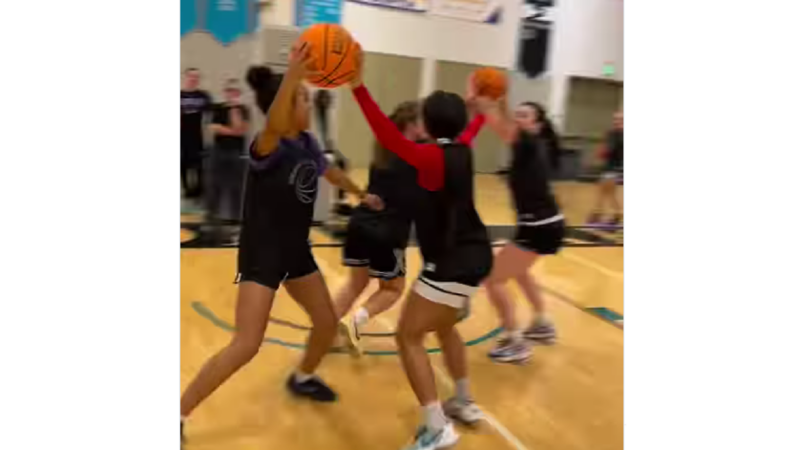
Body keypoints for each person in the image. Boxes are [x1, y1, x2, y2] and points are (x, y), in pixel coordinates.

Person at [180, 44, 383, 442]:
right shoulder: (268, 144)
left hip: (295, 250)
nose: (308, 104)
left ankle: (303, 377)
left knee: (326, 323)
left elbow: (330, 173)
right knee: (247, 344)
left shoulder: (307, 142)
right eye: (303, 99)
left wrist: (361, 194)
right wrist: (292, 75)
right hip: (262, 253)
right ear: (286, 106)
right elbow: (274, 123)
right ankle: (179, 412)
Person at [350, 51, 492, 450]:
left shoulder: (428, 157)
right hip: (477, 255)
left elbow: (387, 135)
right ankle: (462, 400)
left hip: (448, 262)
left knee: (407, 336)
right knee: (444, 327)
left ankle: (436, 427)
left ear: (427, 124)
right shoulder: (463, 150)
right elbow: (470, 130)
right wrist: (478, 111)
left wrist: (358, 86)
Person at [475, 97, 565, 364]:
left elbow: (500, 125)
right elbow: (505, 125)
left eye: (525, 115)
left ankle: (514, 340)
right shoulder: (535, 143)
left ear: (537, 124)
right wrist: (497, 103)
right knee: (519, 272)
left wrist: (485, 103)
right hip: (543, 223)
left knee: (492, 278)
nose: (518, 118)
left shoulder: (528, 142)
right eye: (517, 114)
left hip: (538, 226)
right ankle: (542, 324)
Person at [334, 101, 425, 355]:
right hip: (388, 232)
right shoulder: (416, 156)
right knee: (393, 289)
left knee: (355, 285)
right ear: (412, 125)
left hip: (360, 224)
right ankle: (357, 320)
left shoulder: (384, 151)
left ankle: (323, 333)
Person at [206, 78, 250, 244]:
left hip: (236, 154)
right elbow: (213, 128)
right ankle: (211, 223)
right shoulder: (217, 108)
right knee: (214, 187)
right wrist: (232, 130)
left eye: (235, 91)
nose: (232, 94)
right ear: (225, 92)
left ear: (239, 93)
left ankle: (236, 225)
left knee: (236, 189)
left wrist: (234, 109)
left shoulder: (243, 109)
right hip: (218, 152)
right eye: (230, 90)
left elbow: (241, 130)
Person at [586, 111, 623, 228]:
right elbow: (606, 149)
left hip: (614, 169)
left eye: (620, 119)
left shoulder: (620, 135)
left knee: (608, 193)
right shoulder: (612, 133)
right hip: (608, 168)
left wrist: (602, 153)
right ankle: (600, 214)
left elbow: (609, 150)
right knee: (604, 192)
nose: (617, 121)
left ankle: (609, 214)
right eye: (615, 119)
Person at [181, 68, 213, 202]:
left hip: (197, 134)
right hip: (181, 135)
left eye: (196, 77)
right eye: (191, 76)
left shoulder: (203, 96)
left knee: (198, 163)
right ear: (186, 77)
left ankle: (199, 188)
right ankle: (187, 188)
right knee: (182, 162)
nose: (193, 79)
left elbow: (210, 115)